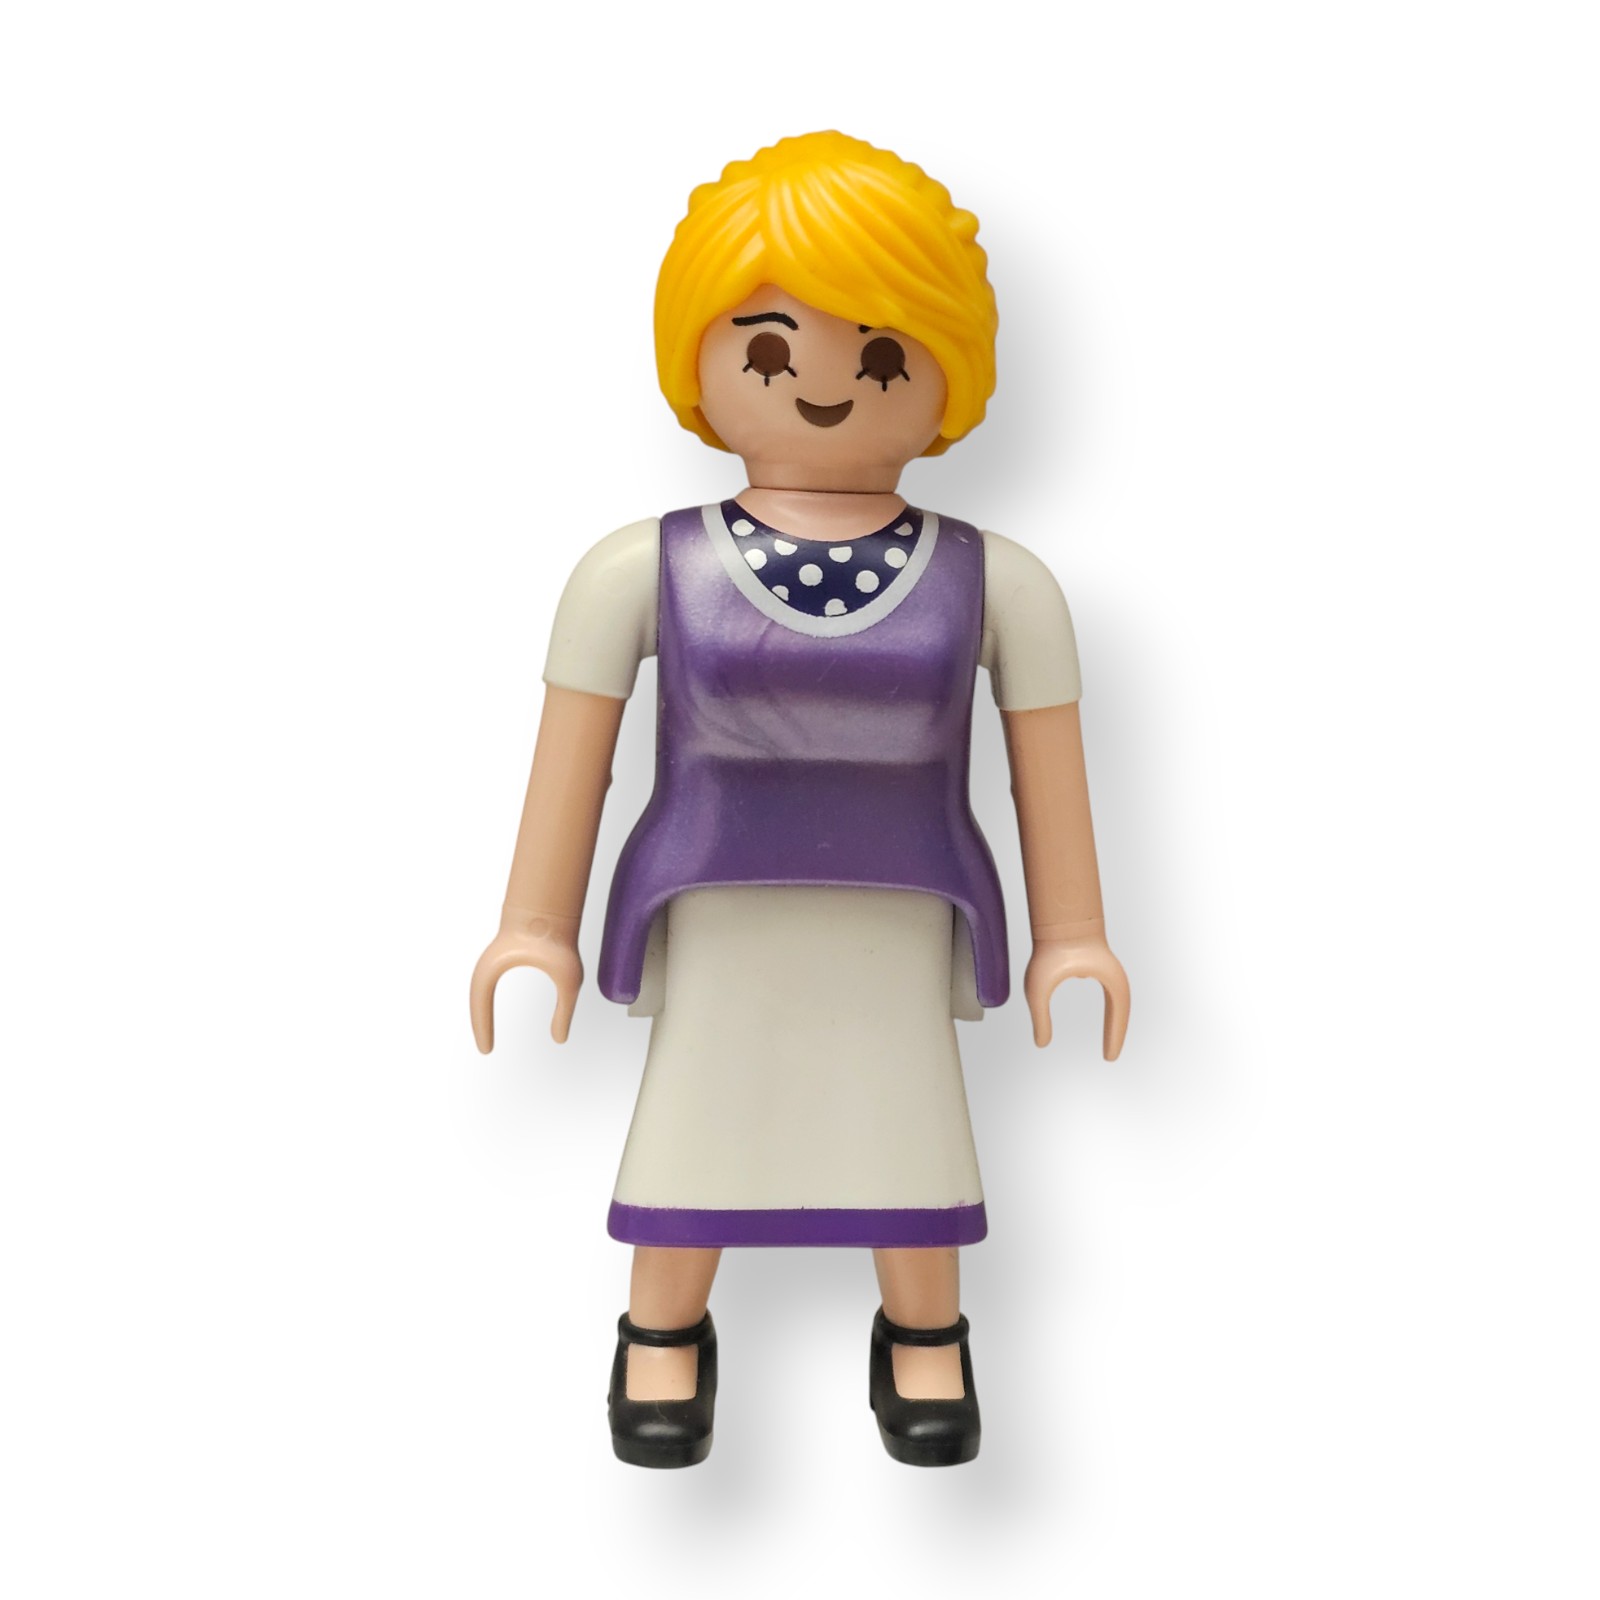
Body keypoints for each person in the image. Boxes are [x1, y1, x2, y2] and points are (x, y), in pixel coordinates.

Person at [470, 131, 1129, 1469]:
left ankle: (926, 1330)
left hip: (902, 907)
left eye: (881, 357)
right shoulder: (639, 571)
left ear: (950, 374)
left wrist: (1075, 936)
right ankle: (662, 1329)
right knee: (696, 1108)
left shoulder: (998, 582)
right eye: (769, 351)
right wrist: (532, 924)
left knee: (907, 1113)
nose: (825, 386)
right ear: (699, 364)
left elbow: (1048, 769)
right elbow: (571, 755)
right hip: (717, 901)